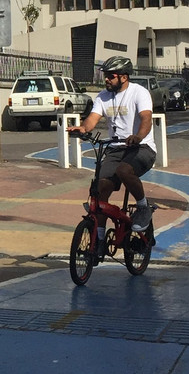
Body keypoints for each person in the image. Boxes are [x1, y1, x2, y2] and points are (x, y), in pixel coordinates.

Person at [67, 55, 157, 242]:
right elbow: (93, 117)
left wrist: (138, 137)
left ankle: (143, 207)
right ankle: (98, 239)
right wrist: (83, 128)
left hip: (142, 147)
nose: (106, 79)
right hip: (116, 149)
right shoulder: (102, 96)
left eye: (111, 76)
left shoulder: (139, 92)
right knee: (100, 189)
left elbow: (146, 118)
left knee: (124, 170)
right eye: (105, 75)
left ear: (124, 77)